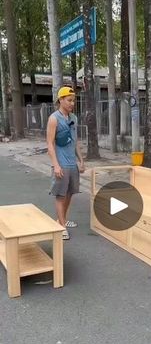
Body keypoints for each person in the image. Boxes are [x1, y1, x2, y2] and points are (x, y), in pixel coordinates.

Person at [47, 86, 85, 240]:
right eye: (69, 100)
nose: (72, 103)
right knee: (60, 195)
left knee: (69, 194)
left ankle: (62, 219)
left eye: (73, 101)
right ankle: (61, 226)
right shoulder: (54, 119)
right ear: (61, 100)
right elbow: (49, 143)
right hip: (61, 164)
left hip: (72, 164)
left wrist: (81, 160)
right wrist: (56, 165)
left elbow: (75, 141)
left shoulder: (73, 118)